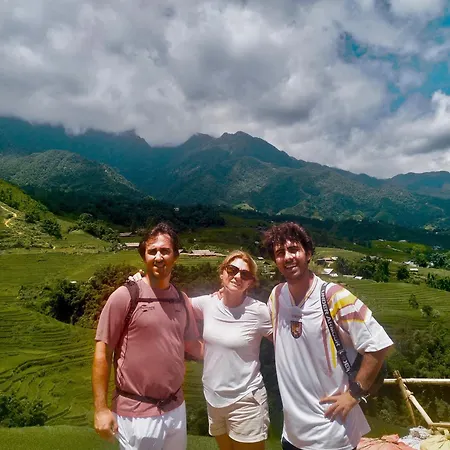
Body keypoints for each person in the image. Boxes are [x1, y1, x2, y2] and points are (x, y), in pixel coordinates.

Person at [263, 222, 393, 450]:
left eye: (294, 249)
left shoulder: (334, 297)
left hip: (332, 435)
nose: (288, 257)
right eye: (280, 252)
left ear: (308, 253)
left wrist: (354, 394)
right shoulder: (276, 296)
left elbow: (378, 345)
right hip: (292, 434)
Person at [92, 222, 202, 450]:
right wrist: (101, 409)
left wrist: (234, 355)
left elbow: (193, 345)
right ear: (144, 256)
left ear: (176, 256)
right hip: (136, 413)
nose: (158, 257)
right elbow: (102, 352)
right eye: (152, 251)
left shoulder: (181, 299)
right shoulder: (125, 297)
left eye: (165, 251)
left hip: (175, 409)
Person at [191, 250, 272, 450]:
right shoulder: (208, 303)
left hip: (246, 399)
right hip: (213, 398)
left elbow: (287, 343)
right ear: (222, 273)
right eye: (232, 270)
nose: (237, 276)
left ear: (250, 282)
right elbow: (174, 303)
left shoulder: (259, 311)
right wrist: (142, 284)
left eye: (245, 274)